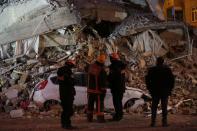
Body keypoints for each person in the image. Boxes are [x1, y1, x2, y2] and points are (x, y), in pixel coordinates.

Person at [145, 57, 175, 127]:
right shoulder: (167, 69)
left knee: (154, 107)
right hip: (165, 91)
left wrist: (149, 88)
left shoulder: (152, 69)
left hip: (155, 91)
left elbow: (147, 79)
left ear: (156, 61)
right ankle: (164, 122)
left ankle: (153, 122)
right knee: (164, 107)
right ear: (163, 62)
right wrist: (170, 89)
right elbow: (172, 80)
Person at [87, 54, 107, 123]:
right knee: (99, 105)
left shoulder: (90, 67)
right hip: (98, 91)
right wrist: (104, 90)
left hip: (90, 90)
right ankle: (100, 119)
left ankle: (89, 118)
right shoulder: (101, 70)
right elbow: (103, 81)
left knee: (90, 105)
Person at [57, 59, 76, 129]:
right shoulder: (68, 71)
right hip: (68, 93)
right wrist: (72, 80)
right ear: (69, 64)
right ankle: (67, 124)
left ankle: (64, 124)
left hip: (63, 93)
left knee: (65, 109)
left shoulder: (60, 72)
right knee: (68, 110)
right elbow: (71, 82)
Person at [108, 53, 127, 121]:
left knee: (116, 102)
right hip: (121, 87)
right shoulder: (122, 66)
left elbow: (111, 78)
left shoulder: (113, 66)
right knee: (119, 101)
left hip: (115, 87)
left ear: (112, 59)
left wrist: (107, 79)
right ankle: (119, 115)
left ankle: (118, 117)